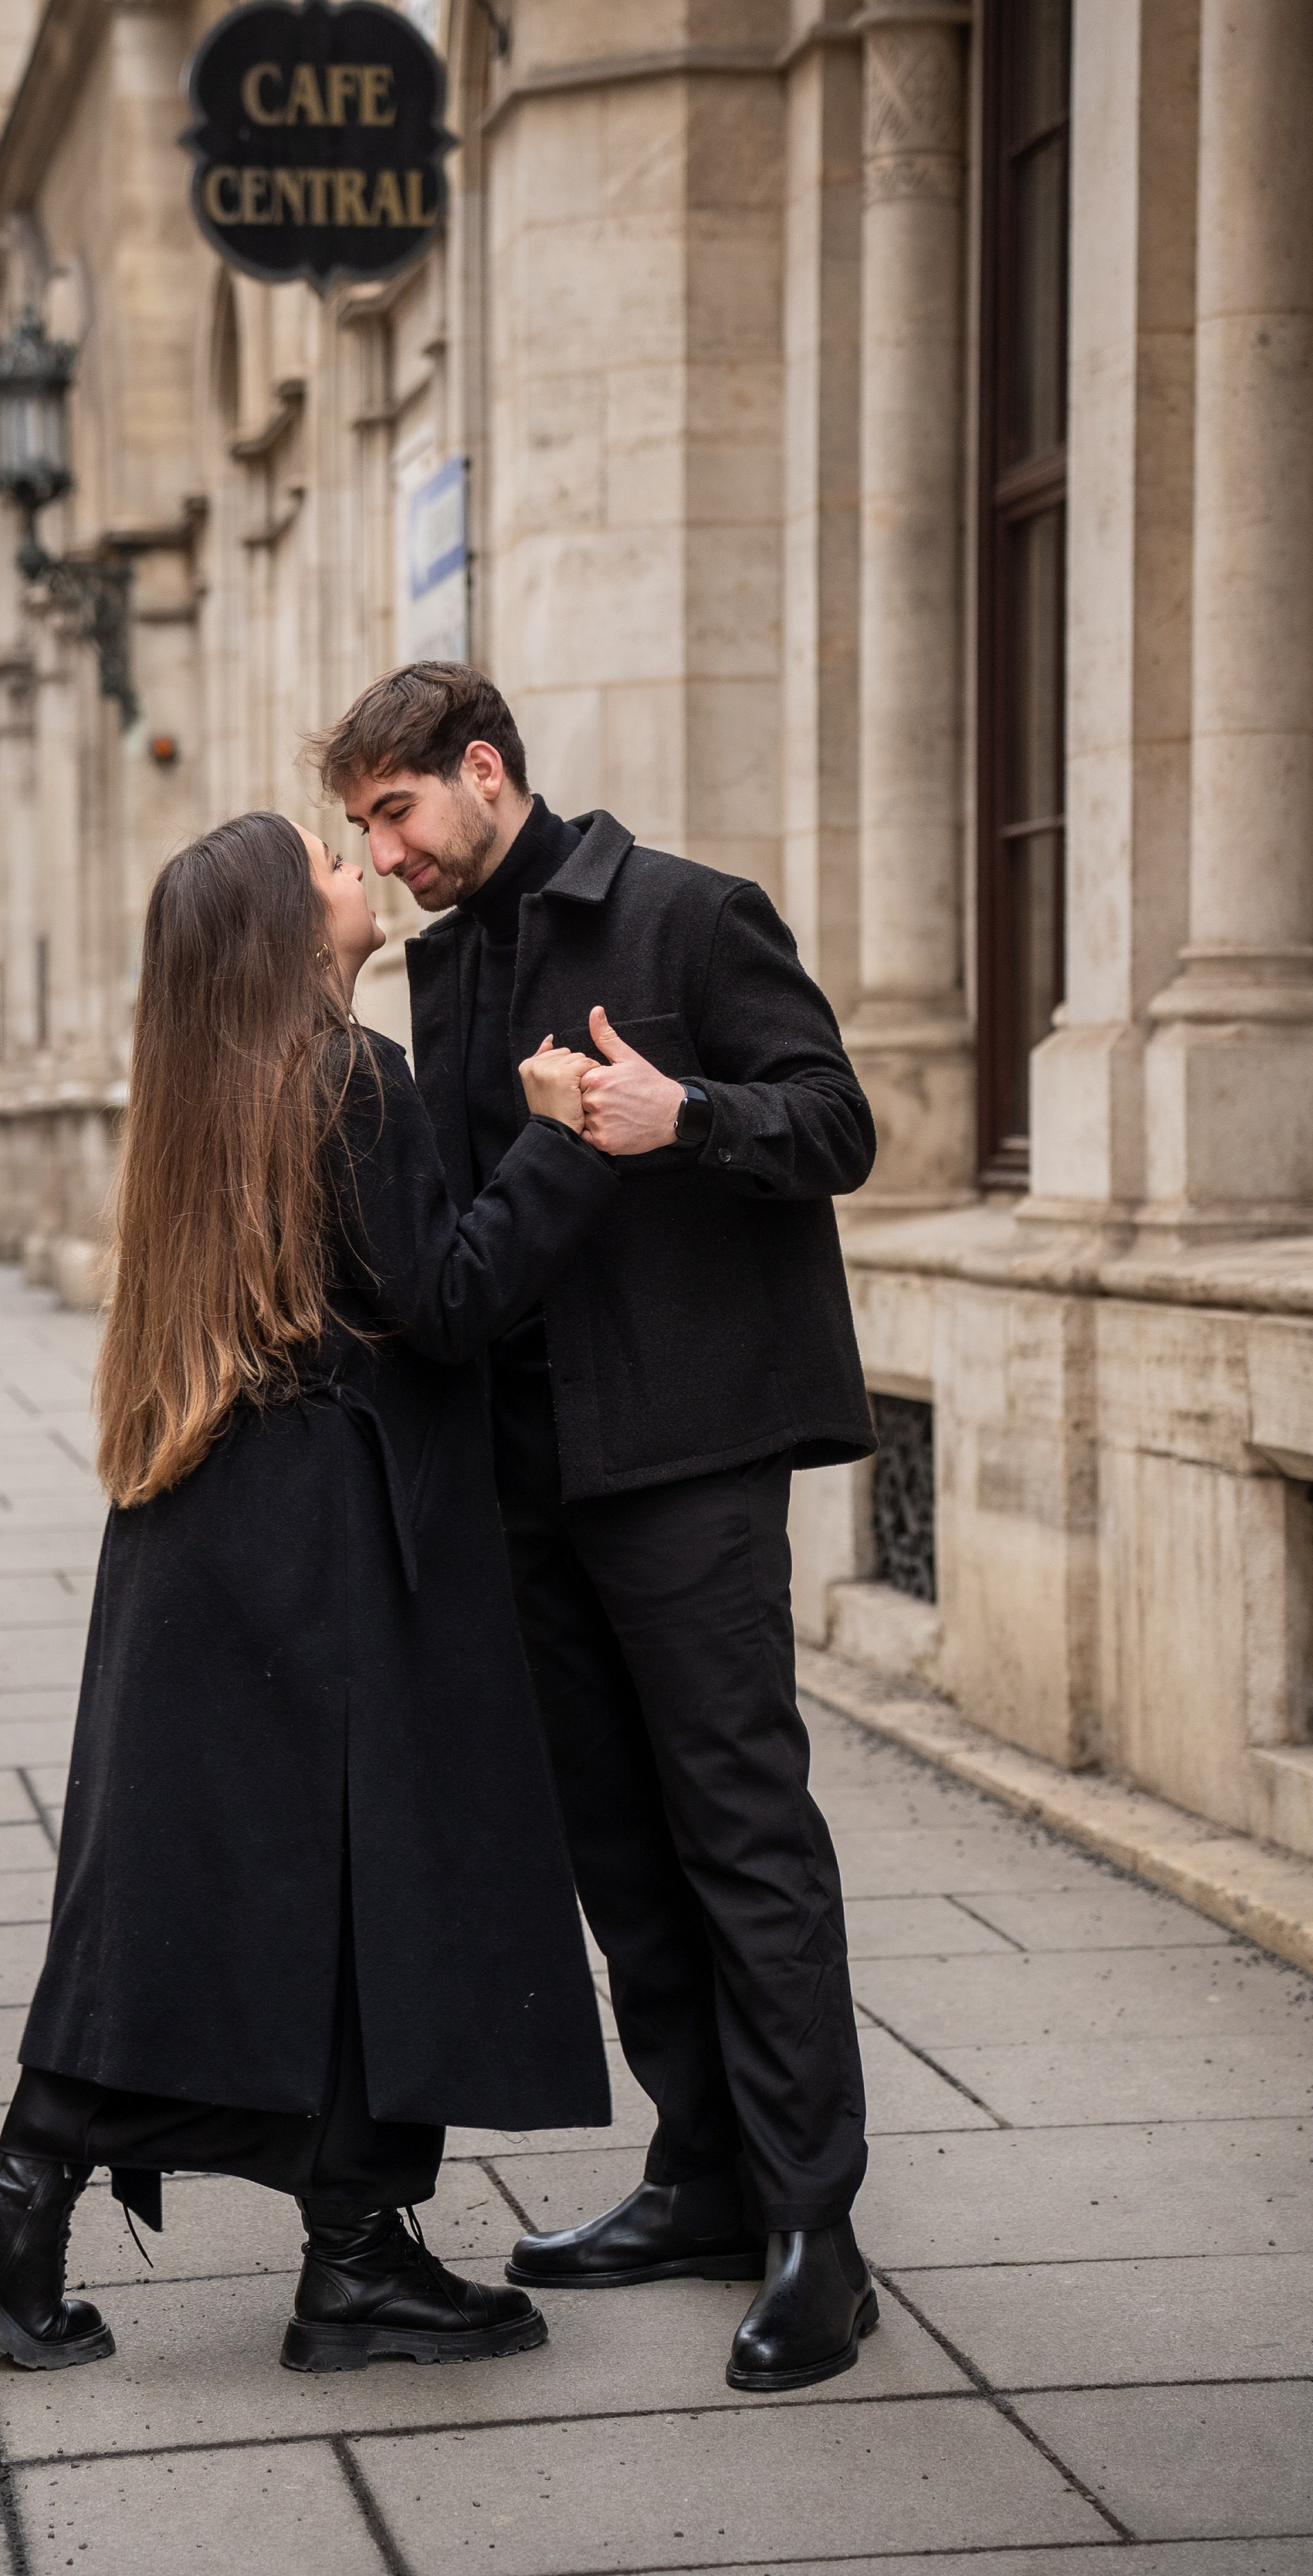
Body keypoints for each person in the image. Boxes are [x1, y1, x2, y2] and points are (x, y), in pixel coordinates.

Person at [0, 808, 618, 2376]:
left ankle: (140, 2222)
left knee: (228, 1883)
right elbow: (446, 1302)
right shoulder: (347, 1076)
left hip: (211, 1519)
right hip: (330, 1543)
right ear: (289, 931)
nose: (360, 870)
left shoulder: (211, 1089)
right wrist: (558, 1140)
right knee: (359, 1873)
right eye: (330, 865)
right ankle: (293, 2249)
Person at [316, 661, 880, 2394]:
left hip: (688, 1459)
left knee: (739, 1829)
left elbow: (840, 1125)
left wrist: (684, 1114)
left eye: (395, 812)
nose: (384, 852)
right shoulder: (440, 968)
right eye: (361, 828)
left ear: (482, 769)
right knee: (617, 1851)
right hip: (524, 1478)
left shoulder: (690, 914)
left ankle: (815, 2229)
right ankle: (699, 2175)